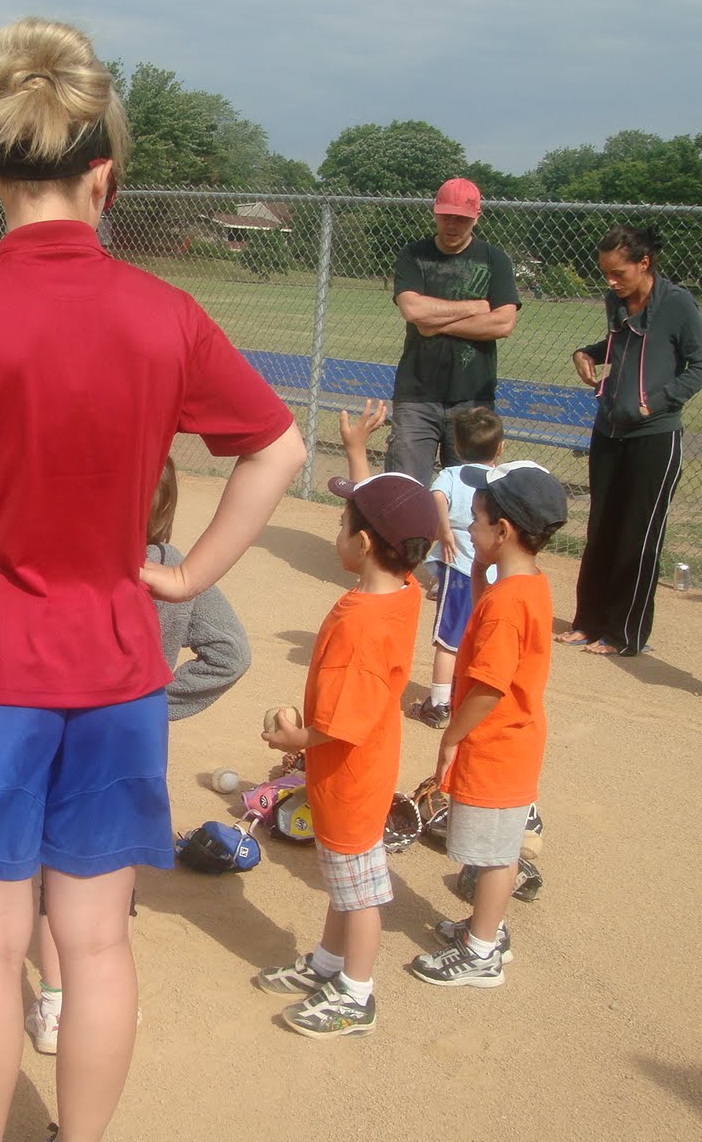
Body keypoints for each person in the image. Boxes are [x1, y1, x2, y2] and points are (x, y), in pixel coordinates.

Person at [0, 18, 303, 1142]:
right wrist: (190, 578)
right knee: (95, 943)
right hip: (120, 663)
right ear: (103, 179)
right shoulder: (165, 314)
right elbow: (275, 448)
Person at [25, 456, 251, 1055]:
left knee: (56, 869)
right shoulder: (173, 569)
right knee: (111, 872)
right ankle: (104, 1000)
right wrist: (152, 705)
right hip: (133, 745)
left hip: (63, 736)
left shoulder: (63, 560)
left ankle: (55, 1000)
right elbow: (231, 653)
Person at [255, 403, 434, 1039]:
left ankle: (357, 993)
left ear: (362, 545)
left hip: (350, 775)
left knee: (360, 892)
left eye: (341, 524)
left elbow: (337, 727)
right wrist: (359, 454)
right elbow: (389, 519)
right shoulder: (406, 588)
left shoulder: (361, 626)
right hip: (357, 772)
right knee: (340, 880)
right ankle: (330, 964)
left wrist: (289, 737)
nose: (337, 531)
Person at [411, 461, 567, 988]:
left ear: (503, 532)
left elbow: (489, 686)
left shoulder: (506, 605)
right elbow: (495, 627)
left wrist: (451, 737)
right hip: (512, 741)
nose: (468, 529)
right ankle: (484, 929)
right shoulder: (525, 587)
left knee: (496, 857)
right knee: (493, 849)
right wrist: (479, 574)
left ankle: (482, 951)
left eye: (475, 520)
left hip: (495, 744)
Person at [560, 226, 702, 656]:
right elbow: (618, 346)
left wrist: (656, 405)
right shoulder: (617, 301)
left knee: (638, 535)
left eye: (618, 272)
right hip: (608, 430)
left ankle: (624, 633)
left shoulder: (677, 304)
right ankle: (588, 622)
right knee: (601, 529)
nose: (610, 281)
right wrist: (586, 353)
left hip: (654, 437)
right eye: (605, 273)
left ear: (644, 263)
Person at [385, 178, 521, 484]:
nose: (453, 224)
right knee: (403, 490)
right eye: (446, 216)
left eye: (462, 218)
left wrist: (434, 322)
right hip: (416, 395)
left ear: (477, 217)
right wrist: (476, 307)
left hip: (472, 399)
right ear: (435, 213)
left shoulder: (494, 259)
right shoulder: (414, 255)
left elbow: (503, 323)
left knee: (468, 494)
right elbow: (413, 311)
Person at [413, 407, 505, 729]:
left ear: (457, 445)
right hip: (495, 575)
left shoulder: (452, 475)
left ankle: (439, 704)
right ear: (500, 447)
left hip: (460, 575)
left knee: (448, 640)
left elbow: (436, 495)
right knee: (480, 638)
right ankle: (469, 698)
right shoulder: (500, 478)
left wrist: (445, 530)